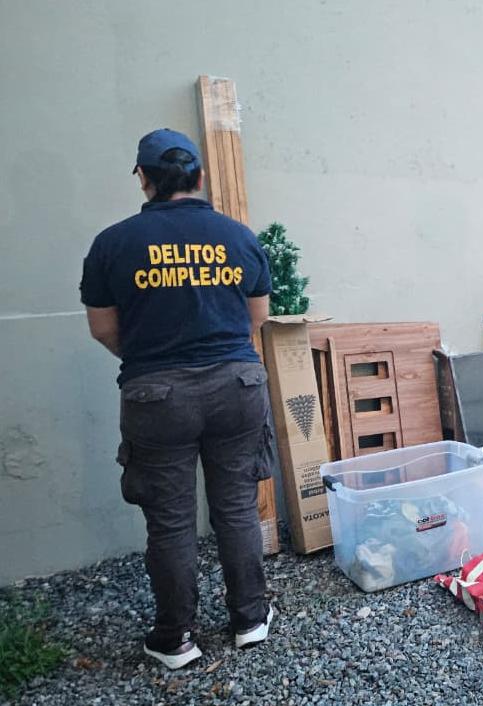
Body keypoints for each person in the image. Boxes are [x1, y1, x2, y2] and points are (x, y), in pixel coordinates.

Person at [80, 128, 275, 670]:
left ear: (143, 178)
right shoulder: (238, 237)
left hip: (157, 395)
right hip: (237, 386)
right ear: (200, 176)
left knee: (169, 520)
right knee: (236, 507)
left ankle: (175, 639)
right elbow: (256, 318)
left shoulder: (113, 243)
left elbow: (103, 329)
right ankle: (250, 619)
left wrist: (152, 360)